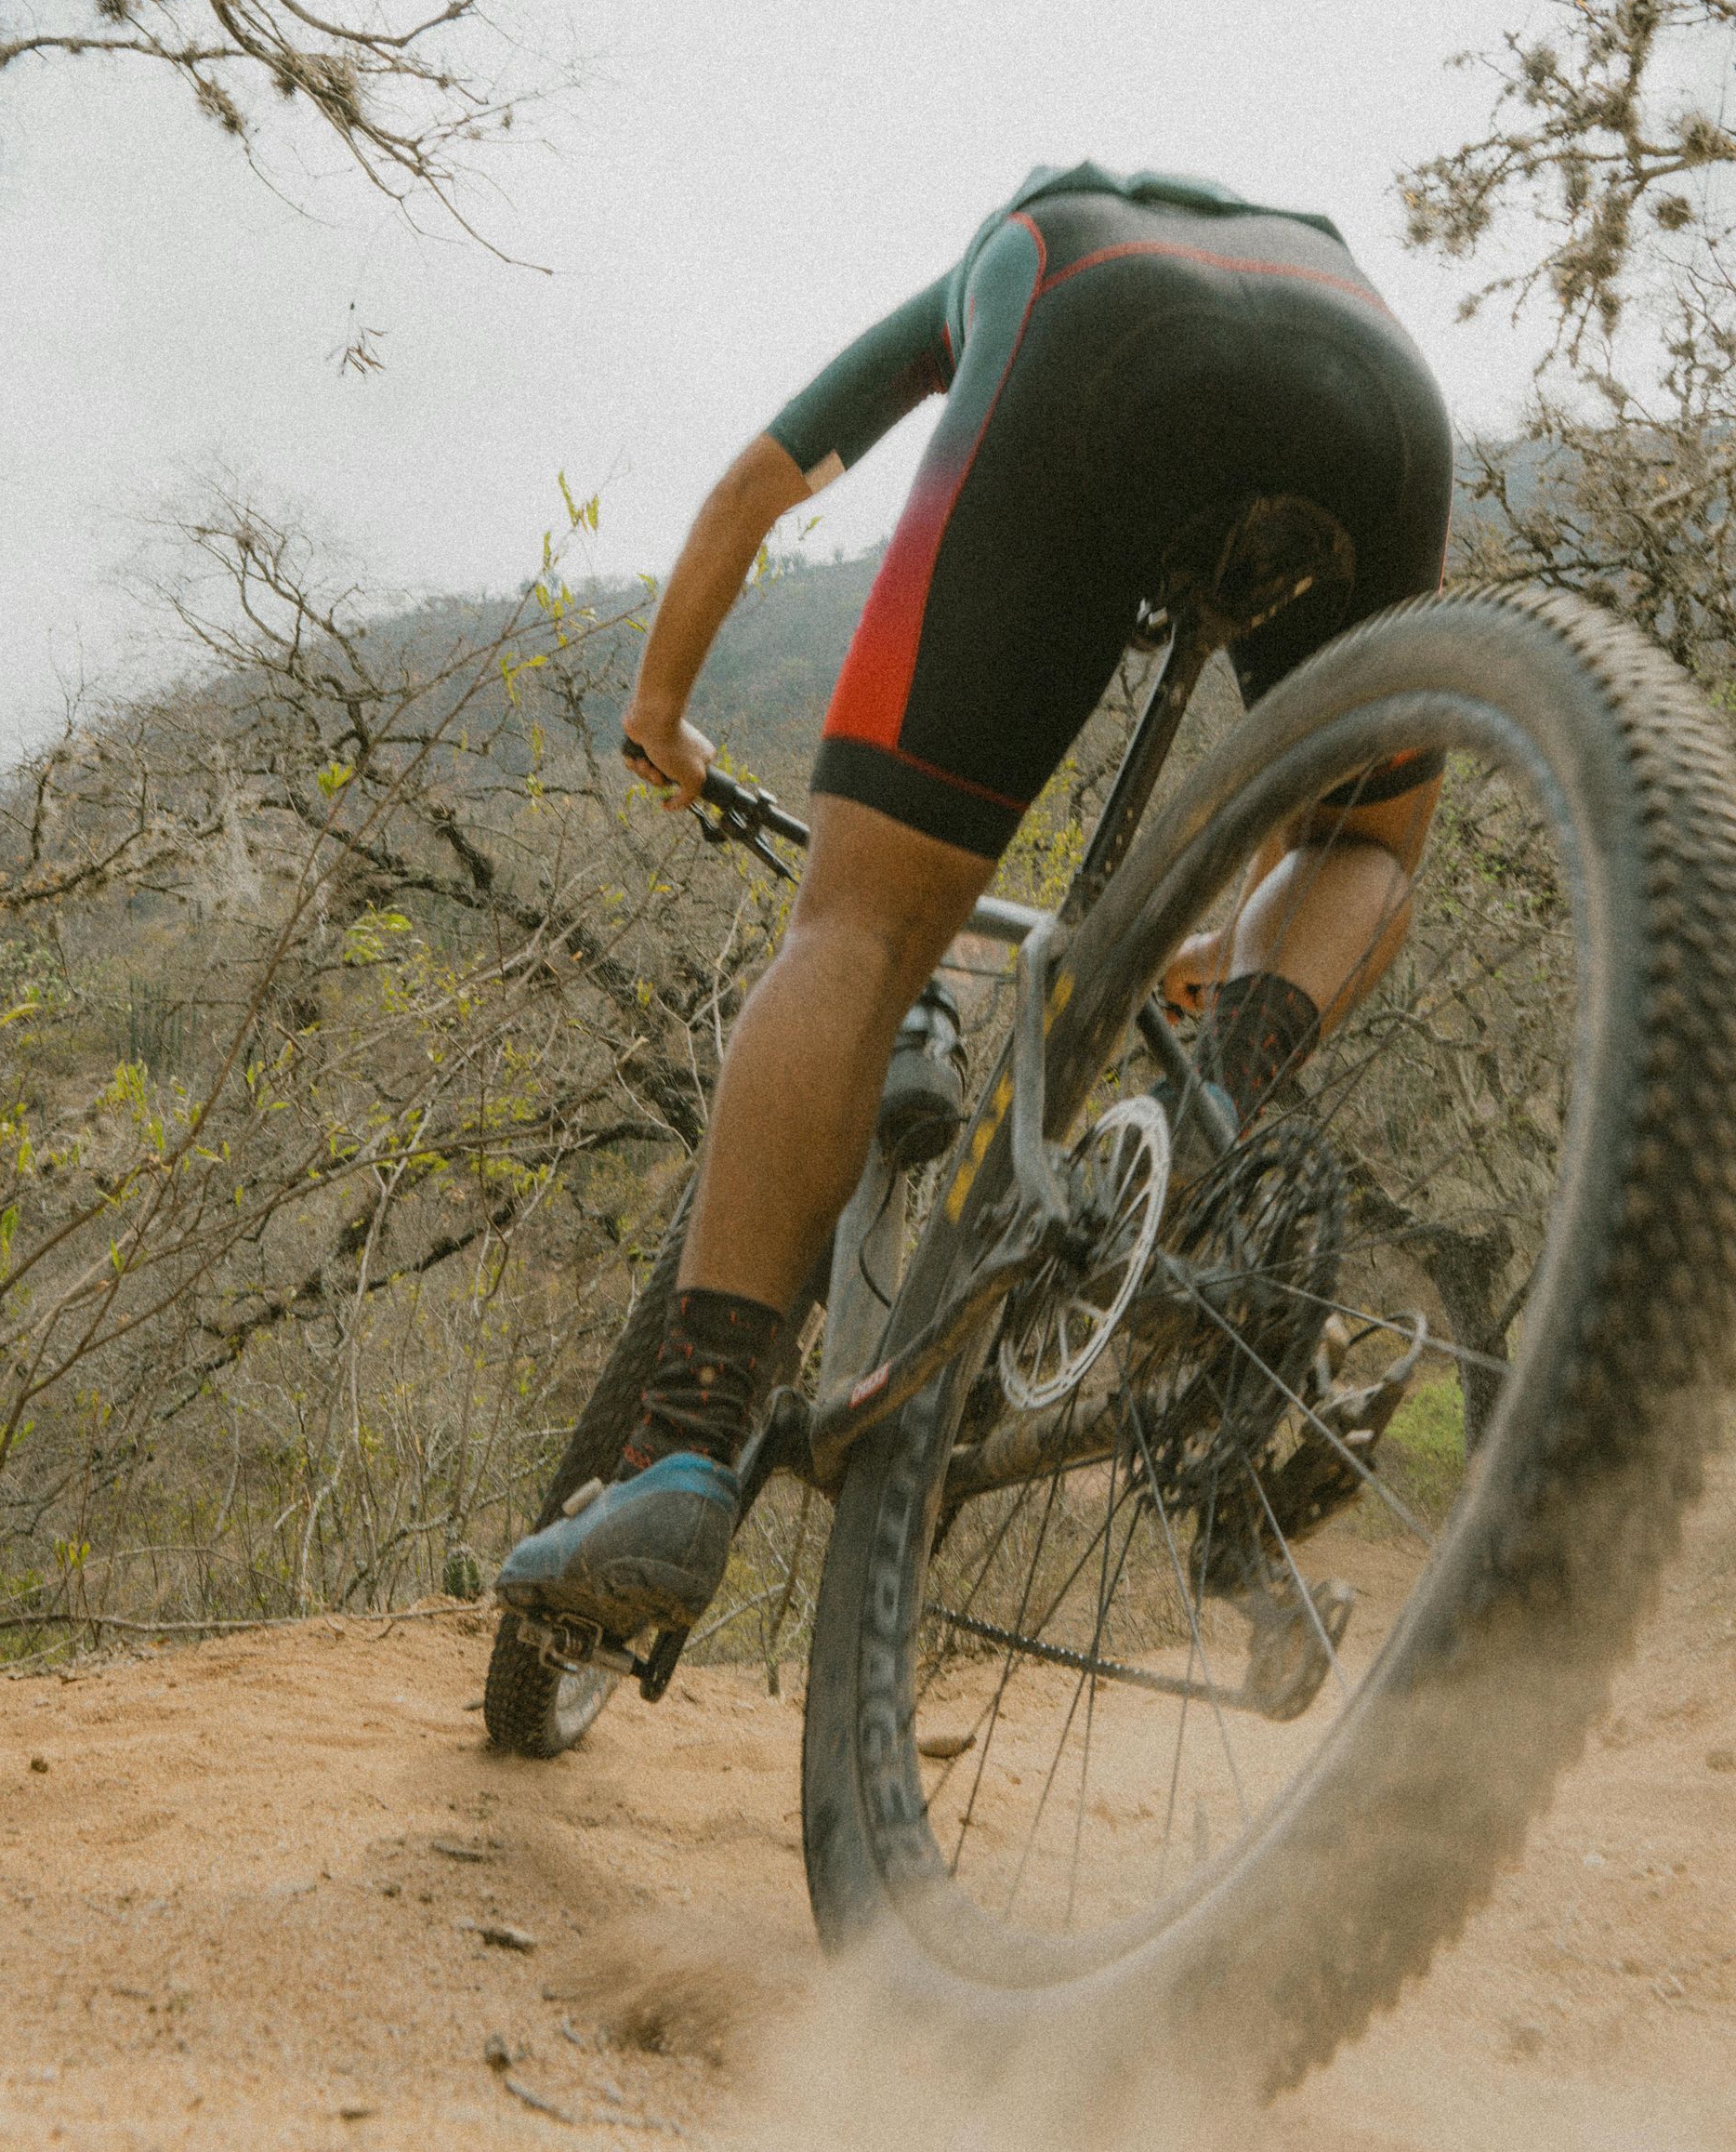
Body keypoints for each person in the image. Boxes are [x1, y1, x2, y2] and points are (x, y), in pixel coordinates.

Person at [496, 161, 1452, 1644]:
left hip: (1100, 346)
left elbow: (763, 487)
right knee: (1364, 840)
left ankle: (680, 1446)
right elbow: (1327, 827)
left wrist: (663, 712)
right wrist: (1223, 950)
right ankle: (1214, 1125)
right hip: (1379, 396)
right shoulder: (1309, 252)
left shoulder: (1030, 239)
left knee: (858, 932)